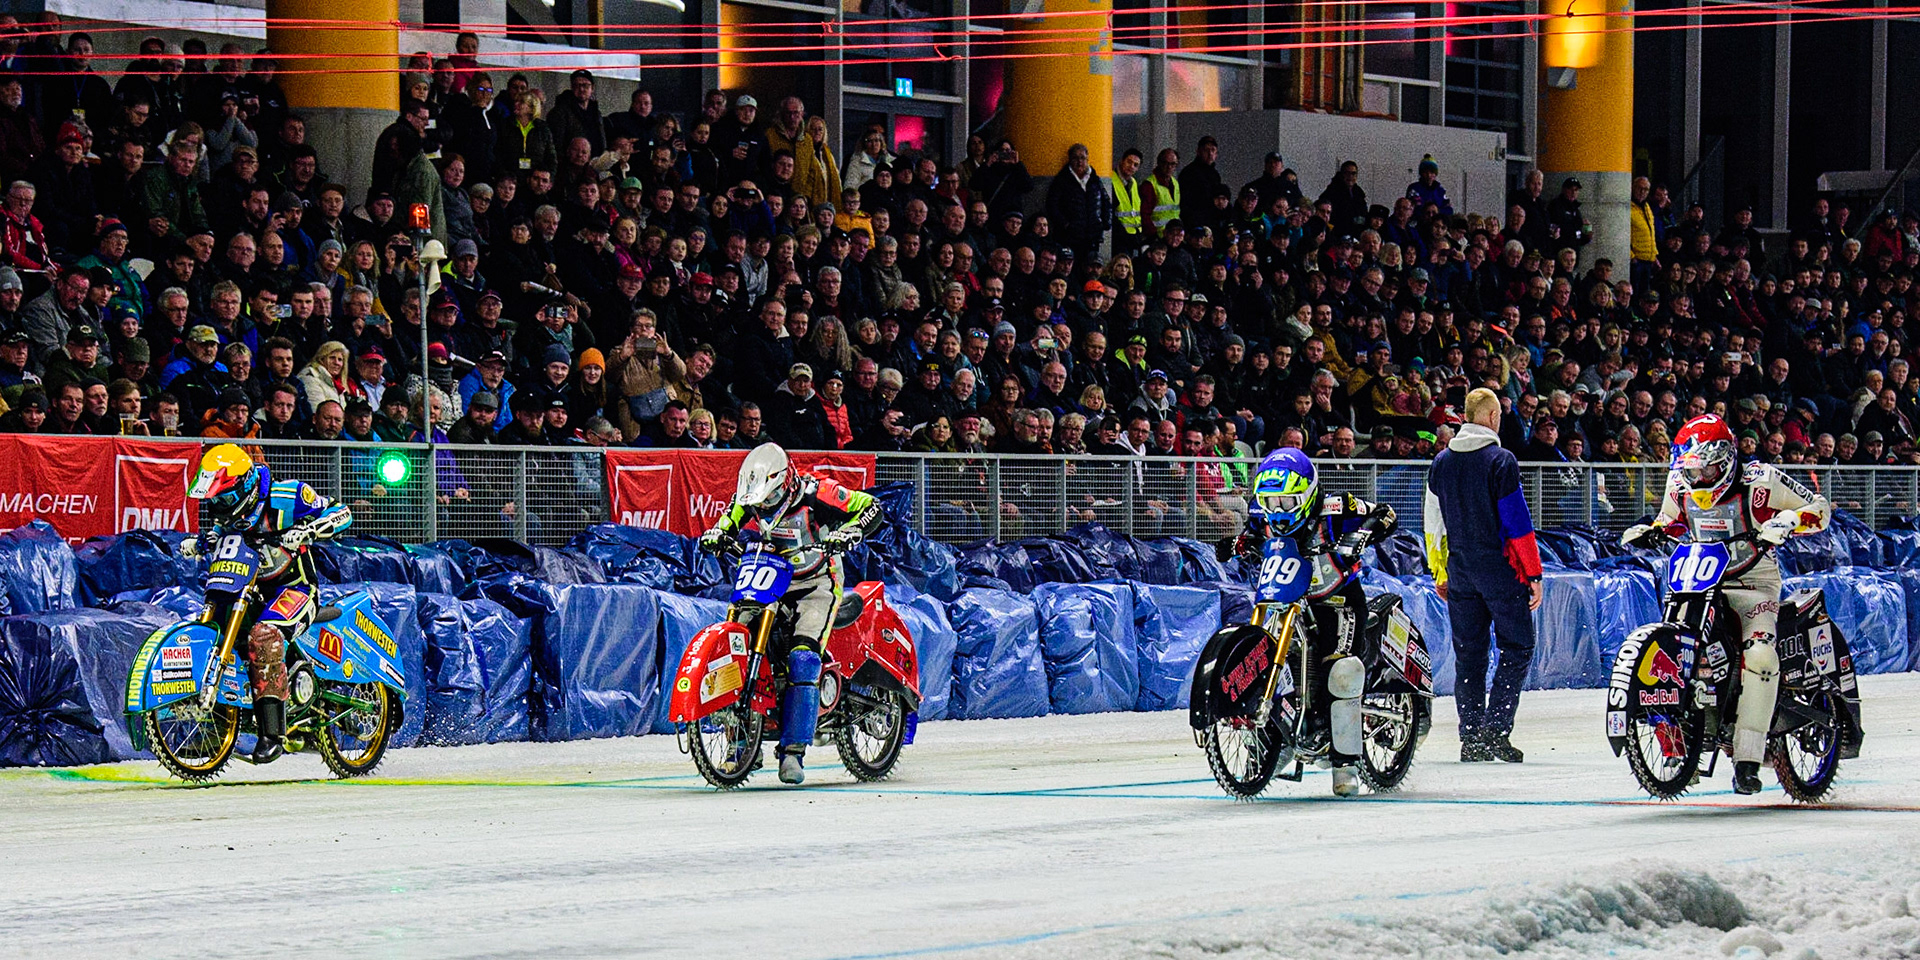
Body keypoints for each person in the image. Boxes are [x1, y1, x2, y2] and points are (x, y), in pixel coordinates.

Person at [1622, 413, 1832, 795]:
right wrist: (1652, 531)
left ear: (1727, 458)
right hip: (1699, 580)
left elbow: (1820, 509)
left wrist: (1788, 521)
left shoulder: (1761, 482)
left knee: (1762, 656)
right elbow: (1671, 520)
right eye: (1694, 469)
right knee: (1676, 641)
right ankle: (1680, 734)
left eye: (1708, 467)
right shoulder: (1679, 483)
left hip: (1754, 583)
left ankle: (1748, 759)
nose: (1700, 477)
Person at [696, 443, 884, 785]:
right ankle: (740, 743)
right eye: (757, 502)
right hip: (768, 576)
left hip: (817, 582)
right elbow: (730, 518)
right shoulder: (749, 499)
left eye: (767, 500)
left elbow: (870, 507)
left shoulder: (818, 493)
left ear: (783, 484)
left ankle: (793, 751)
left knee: (803, 658)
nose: (762, 508)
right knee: (736, 640)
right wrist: (718, 533)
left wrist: (849, 531)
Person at [1230, 447, 1396, 797]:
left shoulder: (1336, 508)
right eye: (1271, 503)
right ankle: (1277, 742)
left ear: (1306, 495)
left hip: (1339, 602)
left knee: (1342, 670)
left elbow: (1385, 514)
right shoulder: (1263, 514)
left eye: (1287, 503)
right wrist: (1239, 543)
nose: (1277, 512)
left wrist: (1362, 535)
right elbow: (1254, 534)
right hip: (1290, 599)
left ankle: (1346, 762)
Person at [179, 443, 352, 763]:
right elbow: (218, 535)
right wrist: (200, 543)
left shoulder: (286, 497)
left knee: (265, 636)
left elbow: (341, 511)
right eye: (212, 500)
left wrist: (309, 529)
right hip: (247, 591)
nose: (217, 505)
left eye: (223, 497)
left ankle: (273, 733)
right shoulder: (231, 515)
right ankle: (218, 731)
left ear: (244, 485)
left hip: (295, 589)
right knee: (220, 634)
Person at [1423, 388, 1543, 763]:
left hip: (1459, 570)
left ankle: (1471, 736)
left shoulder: (1441, 462)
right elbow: (1517, 522)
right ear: (1492, 418)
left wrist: (1439, 571)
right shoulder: (1501, 460)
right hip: (1500, 570)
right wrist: (1534, 573)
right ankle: (1495, 730)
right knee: (1518, 646)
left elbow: (1432, 524)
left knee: (1469, 655)